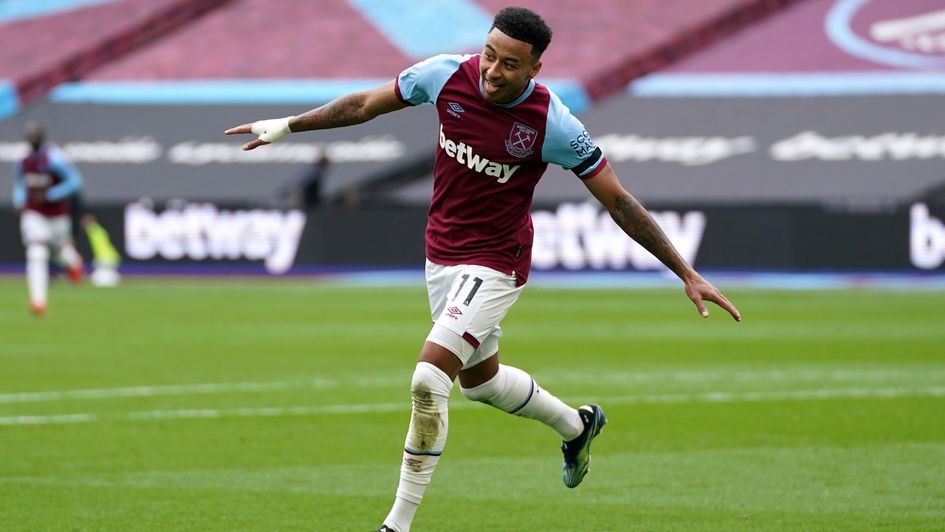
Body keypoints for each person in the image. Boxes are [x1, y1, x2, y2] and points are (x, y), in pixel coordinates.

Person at [226, 7, 741, 531]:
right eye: (489, 55)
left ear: (535, 69)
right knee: (481, 383)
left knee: (429, 379)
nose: (492, 71)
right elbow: (363, 104)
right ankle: (578, 425)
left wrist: (685, 271)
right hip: (441, 254)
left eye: (509, 64)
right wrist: (288, 126)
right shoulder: (447, 74)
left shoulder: (552, 123)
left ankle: (396, 524)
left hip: (497, 260)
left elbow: (620, 201)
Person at [12, 121, 85, 316]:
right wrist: (19, 200)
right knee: (36, 252)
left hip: (57, 216)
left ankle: (74, 263)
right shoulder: (23, 160)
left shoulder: (54, 158)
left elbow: (75, 182)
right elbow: (20, 182)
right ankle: (38, 301)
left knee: (59, 252)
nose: (32, 141)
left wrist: (52, 194)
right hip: (34, 213)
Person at [81, 214, 122, 287]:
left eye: (85, 224)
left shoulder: (95, 232)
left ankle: (113, 277)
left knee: (99, 280)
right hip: (107, 256)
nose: (84, 227)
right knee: (97, 279)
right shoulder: (97, 231)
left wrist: (101, 258)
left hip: (107, 257)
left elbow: (102, 246)